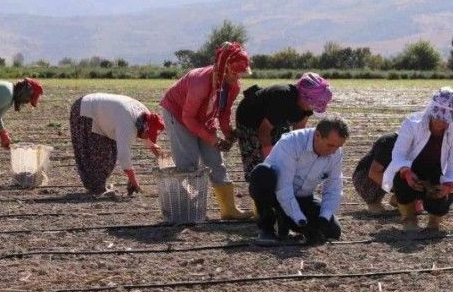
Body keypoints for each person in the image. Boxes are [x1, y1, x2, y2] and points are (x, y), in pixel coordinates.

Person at [160, 42, 253, 220]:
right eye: (235, 73)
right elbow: (188, 118)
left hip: (203, 117)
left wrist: (228, 133)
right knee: (189, 162)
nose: (238, 77)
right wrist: (213, 140)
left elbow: (224, 112)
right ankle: (189, 210)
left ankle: (229, 210)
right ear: (223, 68)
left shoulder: (233, 86)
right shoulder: (200, 82)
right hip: (179, 115)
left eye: (241, 73)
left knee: (216, 161)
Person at [249, 116, 349, 245]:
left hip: (303, 196)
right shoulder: (291, 142)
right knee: (262, 173)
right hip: (276, 193)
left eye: (338, 146)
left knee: (332, 231)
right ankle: (267, 227)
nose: (333, 151)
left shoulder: (336, 152)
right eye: (330, 145)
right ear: (317, 135)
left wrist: (324, 218)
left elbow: (334, 187)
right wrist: (300, 220)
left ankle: (284, 219)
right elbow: (283, 187)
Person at [381, 87, 453, 231]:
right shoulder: (412, 123)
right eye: (438, 118)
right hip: (413, 171)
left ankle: (434, 221)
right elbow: (398, 155)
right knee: (401, 182)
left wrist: (447, 187)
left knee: (444, 197)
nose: (441, 123)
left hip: (436, 174)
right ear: (431, 112)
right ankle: (409, 219)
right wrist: (407, 172)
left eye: (446, 120)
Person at [235, 72, 332, 182]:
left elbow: (298, 132)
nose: (313, 109)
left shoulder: (308, 106)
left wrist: (302, 160)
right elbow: (264, 133)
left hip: (275, 121)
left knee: (284, 155)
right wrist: (271, 163)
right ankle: (259, 188)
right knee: (259, 167)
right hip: (250, 118)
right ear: (303, 97)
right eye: (313, 106)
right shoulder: (282, 98)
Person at [70, 93, 164, 195]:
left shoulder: (146, 116)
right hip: (85, 111)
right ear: (144, 127)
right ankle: (96, 189)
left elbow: (147, 138)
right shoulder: (127, 125)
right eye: (147, 134)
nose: (147, 137)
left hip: (101, 111)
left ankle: (96, 187)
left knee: (109, 154)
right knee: (99, 156)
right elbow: (124, 155)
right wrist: (132, 179)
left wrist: (160, 155)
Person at [352, 132, 399, 214]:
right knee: (377, 211)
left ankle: (400, 198)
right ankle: (375, 202)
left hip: (388, 176)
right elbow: (374, 173)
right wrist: (400, 191)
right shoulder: (389, 141)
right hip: (365, 177)